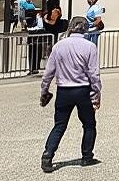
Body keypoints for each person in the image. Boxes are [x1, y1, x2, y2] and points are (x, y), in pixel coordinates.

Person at [39, 18, 102, 172]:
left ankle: (48, 154)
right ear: (86, 29)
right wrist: (96, 95)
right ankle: (87, 156)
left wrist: (44, 91)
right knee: (89, 124)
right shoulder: (90, 46)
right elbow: (94, 74)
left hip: (63, 91)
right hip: (82, 90)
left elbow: (48, 73)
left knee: (60, 124)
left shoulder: (59, 46)